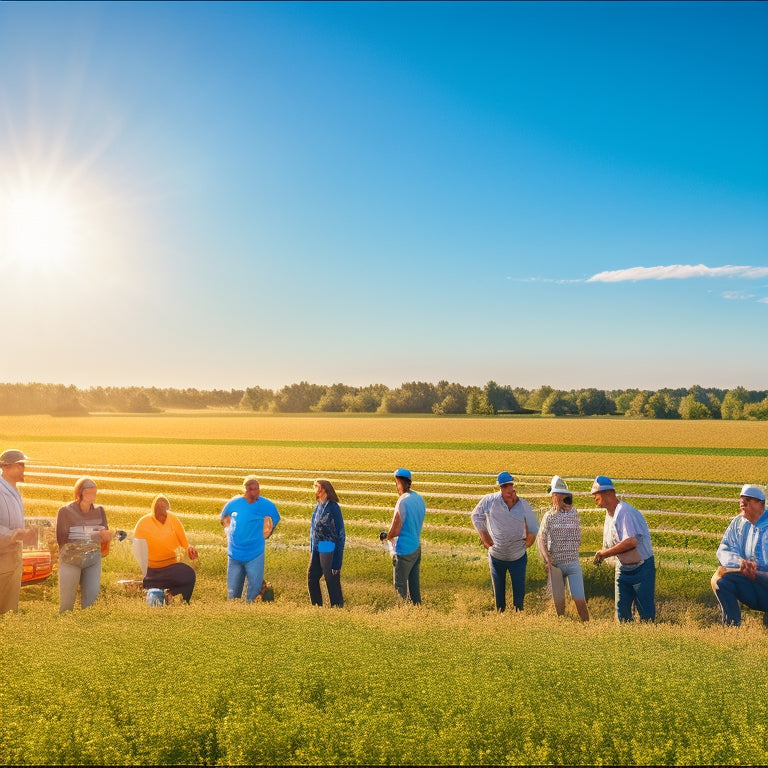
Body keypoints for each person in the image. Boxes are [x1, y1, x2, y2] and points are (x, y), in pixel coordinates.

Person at [471, 471, 539, 613]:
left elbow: (533, 523)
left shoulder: (522, 504)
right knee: (499, 598)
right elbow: (476, 515)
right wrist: (484, 535)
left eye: (510, 485)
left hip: (518, 557)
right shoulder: (489, 501)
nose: (508, 488)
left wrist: (529, 541)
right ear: (500, 488)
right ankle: (501, 620)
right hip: (497, 557)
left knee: (519, 599)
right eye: (504, 486)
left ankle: (518, 620)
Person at [592, 475, 655, 622]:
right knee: (622, 613)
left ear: (609, 494)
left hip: (642, 568)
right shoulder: (609, 514)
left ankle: (647, 639)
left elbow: (630, 542)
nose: (594, 497)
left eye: (597, 494)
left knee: (646, 614)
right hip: (623, 569)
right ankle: (626, 640)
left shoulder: (624, 512)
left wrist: (604, 554)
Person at [711, 484, 768, 626]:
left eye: (748, 499)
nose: (742, 503)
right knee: (721, 581)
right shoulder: (739, 522)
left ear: (761, 504)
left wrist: (759, 572)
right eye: (741, 499)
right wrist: (740, 563)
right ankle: (731, 627)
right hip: (751, 583)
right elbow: (723, 549)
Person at [56, 478, 114, 612]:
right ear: (79, 493)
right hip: (70, 560)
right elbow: (61, 539)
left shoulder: (100, 511)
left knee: (91, 604)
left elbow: (104, 532)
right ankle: (64, 629)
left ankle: (87, 629)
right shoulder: (65, 511)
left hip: (93, 560)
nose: (92, 496)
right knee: (66, 605)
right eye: (88, 492)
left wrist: (106, 535)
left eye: (94, 493)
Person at [220, 476, 280, 603]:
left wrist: (268, 532)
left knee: (254, 592)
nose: (254, 492)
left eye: (256, 489)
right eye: (251, 489)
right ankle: (234, 614)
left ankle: (251, 613)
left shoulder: (266, 505)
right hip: (234, 554)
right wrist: (229, 531)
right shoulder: (234, 503)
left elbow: (275, 519)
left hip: (255, 554)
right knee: (233, 593)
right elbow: (223, 518)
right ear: (245, 490)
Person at [537, 475, 589, 621]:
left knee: (579, 600)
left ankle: (586, 627)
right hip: (555, 564)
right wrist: (547, 558)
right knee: (559, 604)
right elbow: (541, 538)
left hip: (572, 563)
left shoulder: (573, 512)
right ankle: (563, 626)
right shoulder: (549, 516)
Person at [133, 494, 199, 603]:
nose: (163, 517)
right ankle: (153, 591)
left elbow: (184, 542)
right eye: (160, 514)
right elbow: (137, 547)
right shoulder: (143, 523)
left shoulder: (172, 519)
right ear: (154, 511)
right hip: (152, 569)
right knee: (154, 598)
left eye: (165, 513)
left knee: (189, 574)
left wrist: (189, 549)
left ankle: (174, 597)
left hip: (171, 566)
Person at [380, 468, 426, 605]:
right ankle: (417, 611)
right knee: (414, 587)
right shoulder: (418, 498)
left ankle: (402, 612)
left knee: (400, 586)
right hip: (416, 548)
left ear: (399, 482)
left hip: (403, 550)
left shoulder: (402, 501)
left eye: (396, 483)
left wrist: (387, 536)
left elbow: (396, 528)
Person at [0, 449, 37, 614]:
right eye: (20, 465)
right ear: (6, 467)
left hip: (14, 554)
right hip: (2, 555)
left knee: (10, 608)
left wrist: (24, 534)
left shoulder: (14, 492)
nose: (24, 469)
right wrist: (13, 535)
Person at [308, 479, 346, 608]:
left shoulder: (333, 507)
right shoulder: (318, 507)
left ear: (324, 489)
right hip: (317, 547)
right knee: (312, 577)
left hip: (328, 546)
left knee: (331, 580)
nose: (315, 489)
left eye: (316, 487)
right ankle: (316, 607)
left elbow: (341, 533)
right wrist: (312, 548)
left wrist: (337, 560)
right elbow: (312, 530)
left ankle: (337, 608)